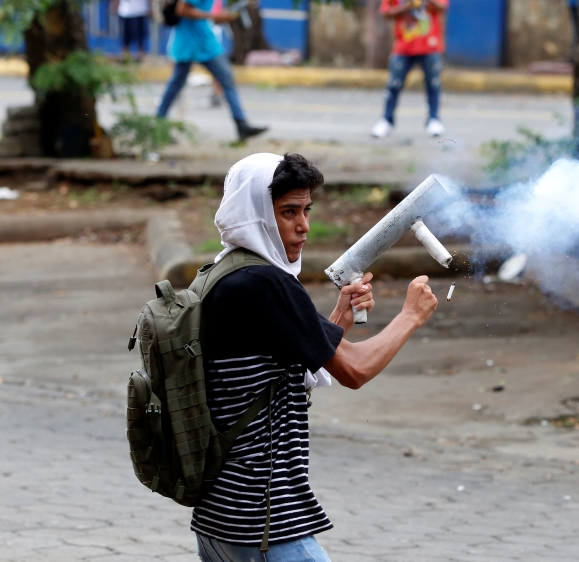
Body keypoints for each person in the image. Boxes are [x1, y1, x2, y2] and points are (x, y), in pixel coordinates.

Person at [192, 152, 438, 562]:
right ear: (253, 213)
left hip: (218, 521)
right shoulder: (268, 284)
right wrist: (410, 317)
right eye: (288, 212)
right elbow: (354, 370)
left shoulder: (221, 273)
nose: (303, 226)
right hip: (266, 523)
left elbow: (275, 364)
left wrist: (338, 318)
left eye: (306, 209)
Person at [156, 0, 267, 142]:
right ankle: (158, 126)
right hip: (190, 41)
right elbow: (182, 9)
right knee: (176, 84)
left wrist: (220, 16)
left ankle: (241, 124)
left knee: (226, 79)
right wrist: (213, 16)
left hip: (203, 40)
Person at [371, 0, 448, 138]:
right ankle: (386, 120)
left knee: (433, 83)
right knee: (393, 85)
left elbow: (442, 7)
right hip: (403, 46)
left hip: (430, 45)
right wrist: (406, 7)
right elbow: (386, 13)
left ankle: (434, 119)